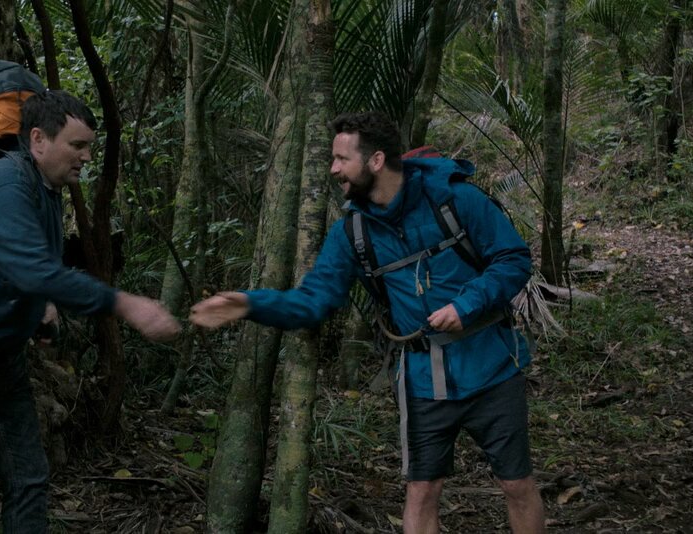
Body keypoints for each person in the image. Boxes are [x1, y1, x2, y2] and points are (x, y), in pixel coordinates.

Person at [190, 112, 545, 534]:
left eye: (342, 159)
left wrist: (466, 304)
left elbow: (513, 259)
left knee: (515, 483)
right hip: (423, 378)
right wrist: (249, 304)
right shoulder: (351, 233)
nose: (333, 169)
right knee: (421, 491)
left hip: (492, 365)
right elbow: (313, 301)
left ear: (376, 160)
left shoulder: (455, 199)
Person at [0, 90, 180, 533]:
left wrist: (43, 310)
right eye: (77, 145)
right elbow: (35, 271)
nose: (86, 156)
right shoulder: (5, 184)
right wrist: (126, 304)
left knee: (28, 478)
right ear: (38, 140)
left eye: (89, 146)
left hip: (2, 357)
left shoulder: (47, 189)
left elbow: (21, 263)